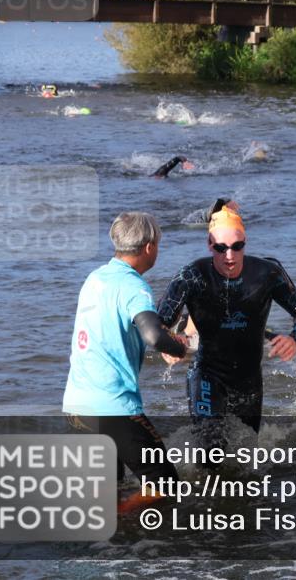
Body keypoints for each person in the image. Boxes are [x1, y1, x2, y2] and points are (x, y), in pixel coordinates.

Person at [157, 205, 296, 450]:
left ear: (245, 242)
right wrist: (167, 342)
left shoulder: (267, 272)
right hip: (207, 373)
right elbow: (159, 323)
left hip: (249, 379)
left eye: (236, 247)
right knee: (211, 449)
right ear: (210, 244)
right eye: (221, 248)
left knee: (245, 456)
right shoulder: (191, 276)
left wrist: (295, 338)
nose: (229, 255)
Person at [62, 212, 189, 509]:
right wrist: (178, 347)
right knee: (167, 486)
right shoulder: (134, 286)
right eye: (157, 243)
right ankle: (121, 520)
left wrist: (162, 339)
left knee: (107, 492)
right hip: (113, 408)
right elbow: (153, 335)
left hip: (76, 405)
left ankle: (108, 542)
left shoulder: (95, 279)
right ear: (148, 247)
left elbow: (112, 328)